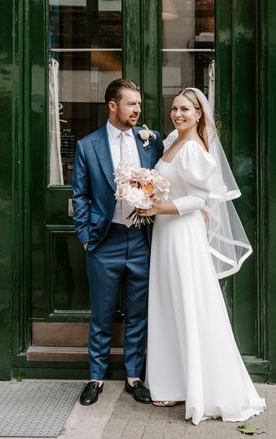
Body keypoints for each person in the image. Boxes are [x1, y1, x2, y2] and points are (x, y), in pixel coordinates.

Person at [137, 87, 266, 425]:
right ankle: (170, 382)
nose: (178, 114)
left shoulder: (195, 150)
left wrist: (155, 207)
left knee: (188, 302)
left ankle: (201, 386)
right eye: (175, 108)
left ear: (199, 115)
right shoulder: (170, 142)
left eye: (185, 110)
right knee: (167, 302)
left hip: (182, 233)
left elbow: (199, 200)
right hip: (165, 233)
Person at [72, 78, 163, 407]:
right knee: (102, 313)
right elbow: (79, 196)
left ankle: (134, 377)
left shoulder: (151, 142)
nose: (137, 110)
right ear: (113, 105)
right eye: (131, 104)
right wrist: (85, 238)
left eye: (139, 104)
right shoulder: (88, 145)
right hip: (103, 241)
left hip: (141, 238)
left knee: (139, 313)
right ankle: (95, 378)